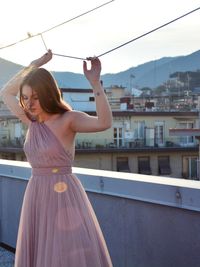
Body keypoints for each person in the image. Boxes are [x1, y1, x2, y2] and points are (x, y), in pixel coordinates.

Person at [0, 50, 113, 267]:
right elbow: (6, 93)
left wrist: (96, 84)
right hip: (36, 194)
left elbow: (104, 123)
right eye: (25, 98)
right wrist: (34, 63)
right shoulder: (32, 121)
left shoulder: (68, 119)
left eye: (35, 97)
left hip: (65, 195)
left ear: (48, 94)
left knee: (66, 254)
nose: (29, 103)